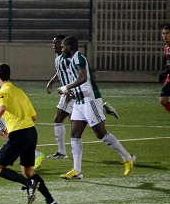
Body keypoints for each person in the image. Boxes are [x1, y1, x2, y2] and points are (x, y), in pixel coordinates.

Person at [57, 36, 135, 180]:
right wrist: (72, 91)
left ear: (69, 47)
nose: (61, 50)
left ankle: (127, 157)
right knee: (75, 134)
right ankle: (77, 171)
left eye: (63, 47)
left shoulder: (79, 58)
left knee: (101, 134)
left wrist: (66, 87)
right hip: (80, 101)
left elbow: (83, 78)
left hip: (90, 100)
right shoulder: (73, 60)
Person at [0, 63, 57, 204]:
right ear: (9, 75)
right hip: (31, 132)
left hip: (19, 135)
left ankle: (28, 184)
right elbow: (33, 116)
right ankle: (51, 202)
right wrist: (8, 125)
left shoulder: (1, 92)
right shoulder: (20, 92)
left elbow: (2, 108)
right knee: (28, 171)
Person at [46, 34, 119, 159]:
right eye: (54, 43)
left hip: (72, 93)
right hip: (68, 92)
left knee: (60, 119)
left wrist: (70, 89)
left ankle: (62, 152)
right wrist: (51, 82)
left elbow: (79, 76)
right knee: (73, 123)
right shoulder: (59, 57)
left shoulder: (70, 58)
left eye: (57, 44)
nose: (55, 46)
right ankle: (103, 108)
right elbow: (60, 71)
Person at [158, 25, 170, 113]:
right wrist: (165, 73)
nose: (165, 36)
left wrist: (166, 73)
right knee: (163, 100)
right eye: (163, 34)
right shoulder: (166, 48)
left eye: (167, 33)